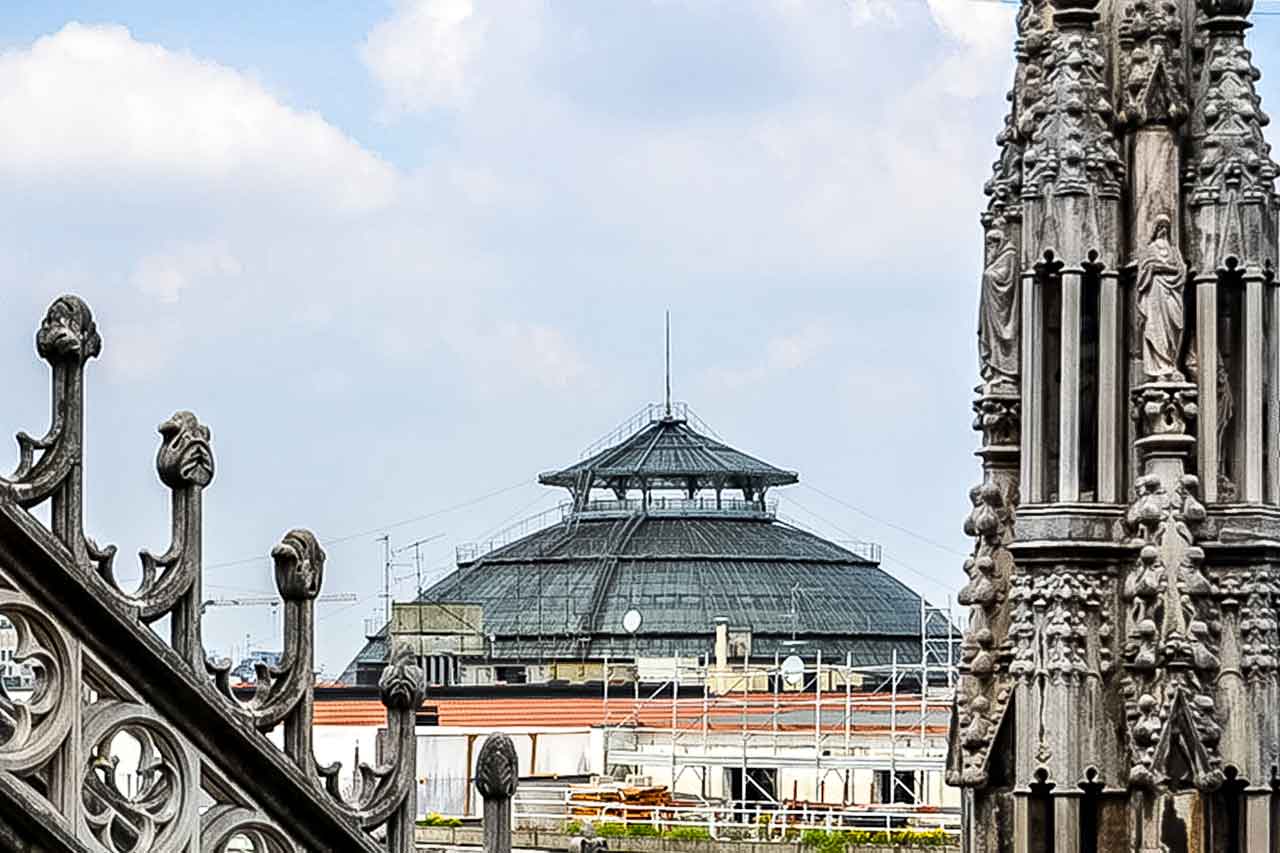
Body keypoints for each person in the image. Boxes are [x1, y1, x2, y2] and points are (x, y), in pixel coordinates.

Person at [1136, 214, 1186, 381]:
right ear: (1155, 229)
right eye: (1160, 226)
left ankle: (1172, 363)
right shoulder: (1150, 249)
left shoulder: (1174, 250)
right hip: (1156, 292)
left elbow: (1181, 270)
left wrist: (1160, 267)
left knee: (1176, 325)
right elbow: (1144, 271)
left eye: (1166, 227)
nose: (1164, 229)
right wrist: (1156, 268)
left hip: (1173, 293)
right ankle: (1160, 369)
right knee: (1156, 326)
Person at [978, 227, 1019, 389]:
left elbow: (1004, 279)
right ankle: (995, 373)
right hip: (993, 313)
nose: (989, 248)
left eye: (991, 244)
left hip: (1003, 314)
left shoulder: (1009, 255)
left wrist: (989, 276)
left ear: (999, 242)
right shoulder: (1000, 257)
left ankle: (1007, 375)